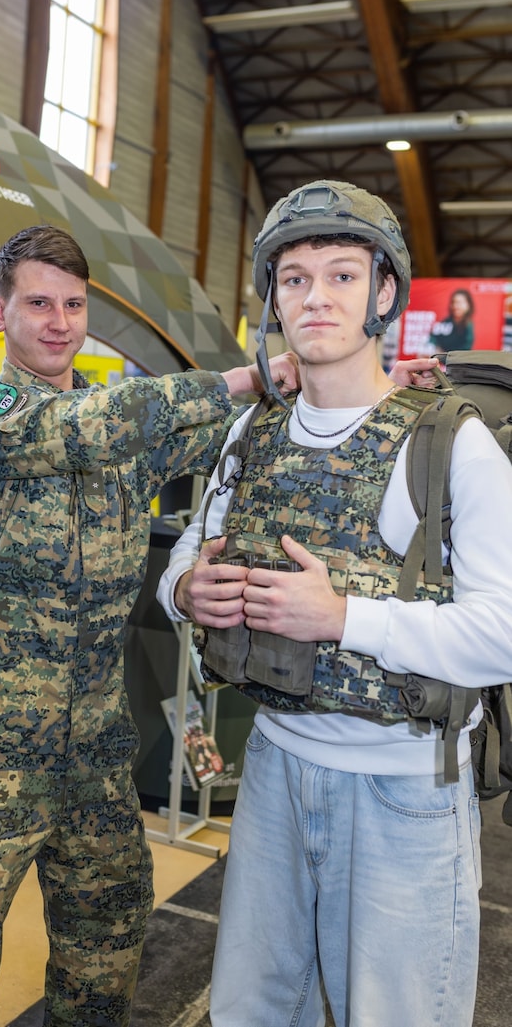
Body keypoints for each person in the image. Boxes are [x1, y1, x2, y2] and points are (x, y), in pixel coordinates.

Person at [0, 223, 304, 1027]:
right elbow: (92, 427)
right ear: (0, 312)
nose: (59, 320)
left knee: (107, 931)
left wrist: (326, 385)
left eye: (74, 304)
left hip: (95, 742)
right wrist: (249, 376)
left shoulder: (118, 424)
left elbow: (209, 434)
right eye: (38, 302)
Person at [156, 179, 512, 1027]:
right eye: (295, 278)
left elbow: (502, 634)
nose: (316, 296)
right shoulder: (252, 433)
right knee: (251, 1011)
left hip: (404, 791)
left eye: (343, 275)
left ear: (385, 293)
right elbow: (189, 546)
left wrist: (343, 616)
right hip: (276, 769)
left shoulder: (450, 441)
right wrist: (184, 588)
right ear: (273, 297)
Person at [430, 286, 475, 352]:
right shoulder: (446, 322)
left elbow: (466, 348)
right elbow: (433, 338)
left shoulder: (468, 325)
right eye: (453, 302)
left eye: (459, 303)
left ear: (468, 305)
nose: (455, 306)